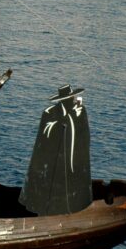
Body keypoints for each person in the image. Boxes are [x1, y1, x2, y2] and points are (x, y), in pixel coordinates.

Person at [19, 84, 91, 216]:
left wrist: (76, 117)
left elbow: (83, 135)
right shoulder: (50, 113)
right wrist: (64, 122)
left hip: (71, 160)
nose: (74, 100)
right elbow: (46, 135)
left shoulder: (80, 112)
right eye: (71, 98)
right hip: (53, 160)